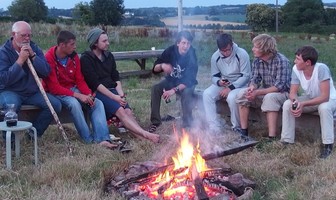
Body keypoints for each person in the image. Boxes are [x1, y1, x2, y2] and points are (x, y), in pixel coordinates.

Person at [80, 28, 160, 143]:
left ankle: (141, 137)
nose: (108, 43)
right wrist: (114, 98)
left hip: (113, 91)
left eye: (107, 40)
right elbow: (95, 83)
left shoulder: (109, 56)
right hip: (98, 93)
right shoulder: (86, 59)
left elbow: (116, 77)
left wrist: (120, 94)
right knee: (121, 111)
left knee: (127, 112)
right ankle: (146, 134)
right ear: (95, 43)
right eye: (104, 41)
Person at [43, 30, 117, 149]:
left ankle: (103, 139)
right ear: (62, 45)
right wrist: (79, 96)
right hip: (57, 91)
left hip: (72, 88)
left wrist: (88, 94)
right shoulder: (49, 58)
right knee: (74, 104)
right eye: (72, 44)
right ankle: (88, 139)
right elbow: (54, 87)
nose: (75, 47)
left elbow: (79, 80)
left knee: (97, 103)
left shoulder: (74, 57)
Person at [0, 21, 62, 138]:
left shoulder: (34, 48)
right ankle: (11, 143)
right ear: (14, 34)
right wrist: (20, 61)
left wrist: (33, 56)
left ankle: (33, 135)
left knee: (55, 105)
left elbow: (46, 72)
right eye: (23, 35)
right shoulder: (3, 52)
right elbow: (3, 80)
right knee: (11, 107)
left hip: (30, 92)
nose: (27, 38)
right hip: (10, 91)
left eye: (29, 35)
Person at [280, 46, 335, 158]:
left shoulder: (321, 69)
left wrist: (303, 104)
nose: (295, 61)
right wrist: (296, 103)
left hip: (330, 99)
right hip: (311, 98)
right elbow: (292, 93)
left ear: (308, 62)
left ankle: (328, 145)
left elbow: (325, 97)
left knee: (324, 108)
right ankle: (287, 141)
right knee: (287, 104)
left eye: (298, 59)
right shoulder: (296, 69)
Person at [236, 34, 291, 140]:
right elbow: (255, 79)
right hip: (266, 91)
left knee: (270, 97)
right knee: (243, 93)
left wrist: (257, 93)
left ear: (265, 48)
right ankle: (244, 132)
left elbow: (280, 86)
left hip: (284, 93)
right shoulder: (257, 61)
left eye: (256, 47)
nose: (253, 49)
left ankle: (272, 137)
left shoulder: (281, 61)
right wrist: (252, 88)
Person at [149, 30, 198, 132]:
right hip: (172, 81)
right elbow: (154, 69)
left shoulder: (192, 55)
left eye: (188, 43)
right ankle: (155, 122)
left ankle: (187, 123)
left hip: (187, 84)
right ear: (178, 43)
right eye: (183, 43)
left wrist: (173, 90)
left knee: (187, 92)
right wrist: (162, 65)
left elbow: (189, 80)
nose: (186, 46)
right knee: (155, 88)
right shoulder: (170, 51)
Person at [203, 33, 251, 133]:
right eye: (222, 51)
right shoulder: (215, 56)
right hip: (225, 83)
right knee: (207, 94)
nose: (225, 53)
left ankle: (236, 127)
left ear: (232, 44)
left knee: (232, 97)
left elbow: (246, 76)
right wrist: (219, 82)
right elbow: (214, 76)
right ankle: (214, 126)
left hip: (240, 84)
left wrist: (230, 88)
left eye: (228, 50)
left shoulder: (242, 54)